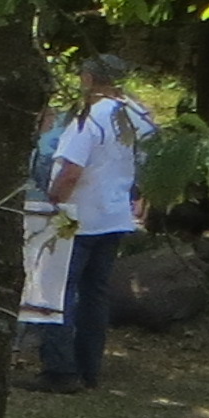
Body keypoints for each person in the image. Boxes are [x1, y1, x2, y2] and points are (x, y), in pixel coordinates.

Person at [29, 54, 155, 396]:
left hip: (77, 215)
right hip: (113, 214)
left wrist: (53, 201)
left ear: (87, 78)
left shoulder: (91, 117)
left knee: (59, 290)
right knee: (95, 294)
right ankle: (89, 367)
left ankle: (60, 368)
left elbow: (71, 170)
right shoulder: (138, 115)